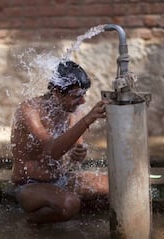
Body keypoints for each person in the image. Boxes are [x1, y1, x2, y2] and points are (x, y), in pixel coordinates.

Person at [10, 60, 108, 224]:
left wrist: (79, 154)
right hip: (30, 186)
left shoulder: (72, 111)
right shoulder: (29, 110)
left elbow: (74, 157)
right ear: (56, 92)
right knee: (70, 204)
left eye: (84, 95)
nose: (82, 101)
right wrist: (88, 119)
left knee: (113, 185)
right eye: (76, 96)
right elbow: (53, 151)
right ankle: (32, 222)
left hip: (61, 180)